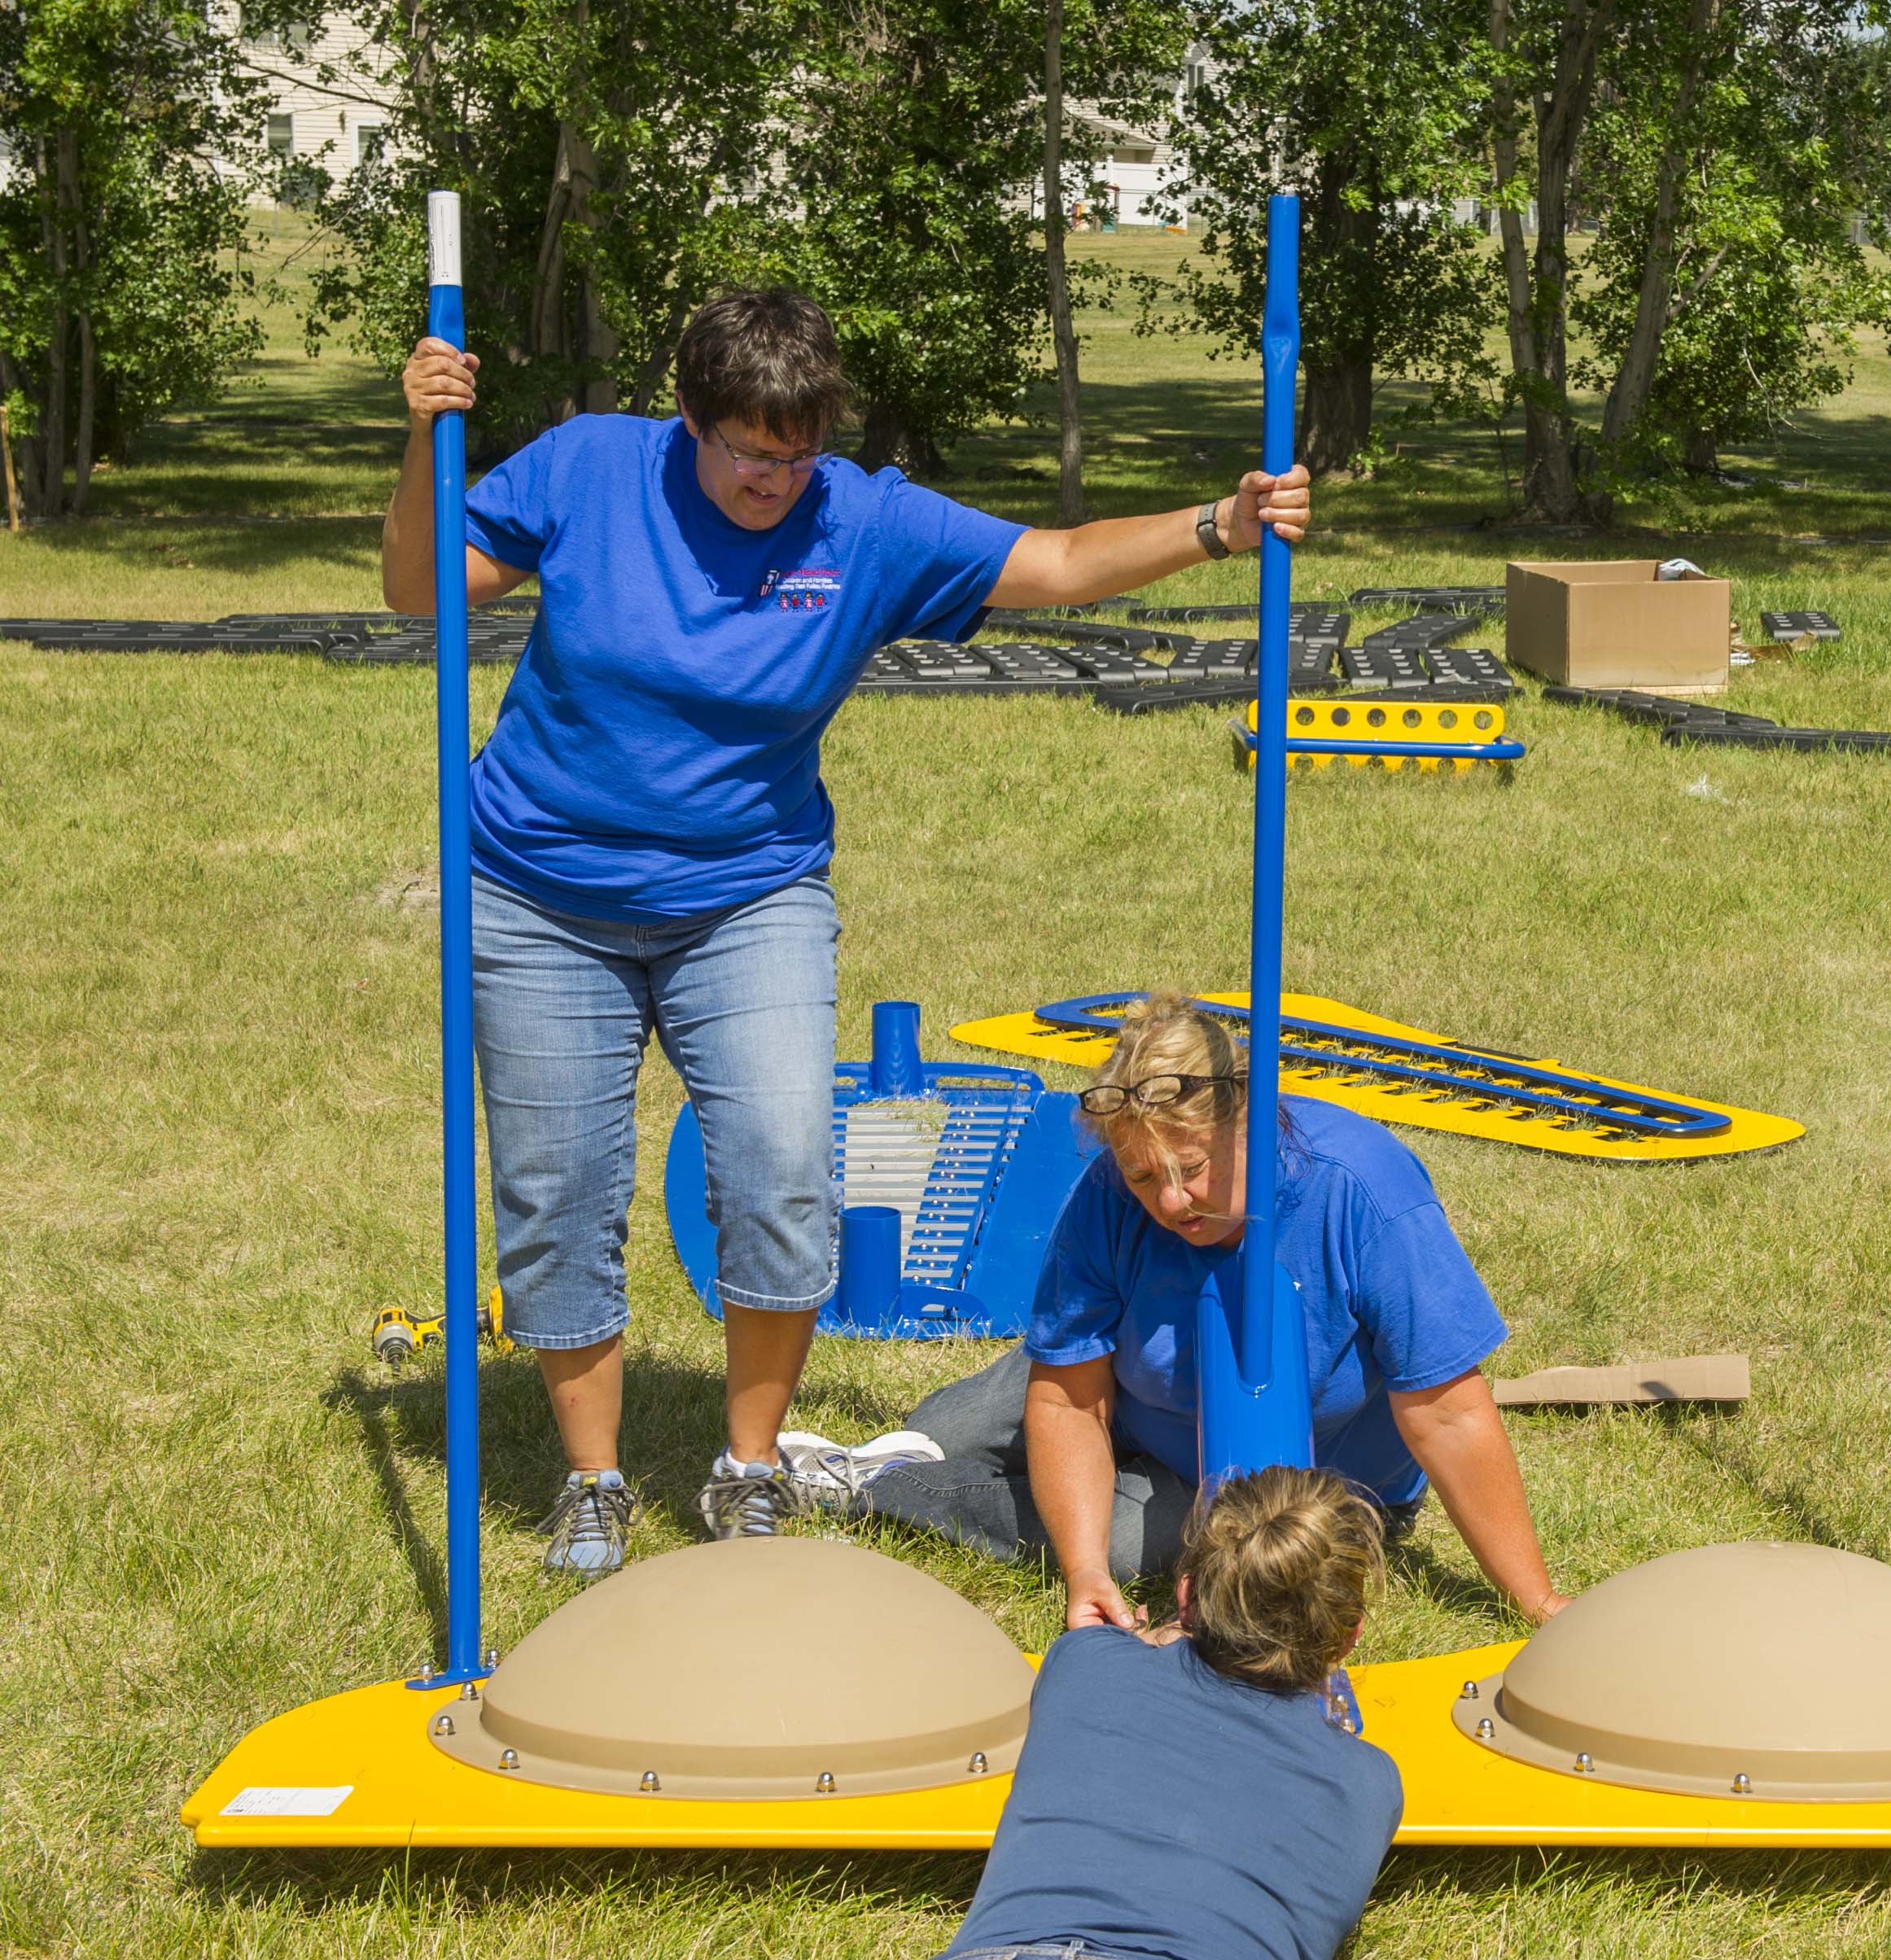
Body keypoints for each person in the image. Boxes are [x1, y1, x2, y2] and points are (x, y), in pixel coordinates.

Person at [383, 291, 1311, 1574]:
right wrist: (420, 441)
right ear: (688, 424)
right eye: (748, 453)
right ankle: (593, 1482)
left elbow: (1052, 561)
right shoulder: (593, 466)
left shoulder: (859, 517)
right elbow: (418, 586)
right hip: (540, 892)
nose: (774, 480)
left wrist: (1220, 525)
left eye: (797, 454)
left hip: (749, 892)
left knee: (781, 1163)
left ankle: (746, 1469)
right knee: (556, 1193)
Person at [863, 992, 1571, 1629]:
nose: (1170, 1202)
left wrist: (1536, 1601)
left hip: (1277, 1481)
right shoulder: (1106, 1195)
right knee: (940, 1428)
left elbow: (1449, 1413)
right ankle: (915, 1453)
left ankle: (868, 1486)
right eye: (1143, 1175)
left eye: (1192, 1169)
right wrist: (1081, 1577)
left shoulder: (1361, 1190)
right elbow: (1071, 1404)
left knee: (1119, 1541)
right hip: (1127, 1381)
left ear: (1251, 1123)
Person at [939, 1465, 1402, 1960]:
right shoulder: (1367, 1783)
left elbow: (1119, 1657)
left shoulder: (1084, 1664)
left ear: (1185, 1597)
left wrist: (1150, 1638)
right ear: (1351, 1633)